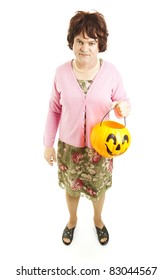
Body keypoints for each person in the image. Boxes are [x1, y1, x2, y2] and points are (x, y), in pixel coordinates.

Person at [43, 10, 131, 246]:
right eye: (79, 41)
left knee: (98, 190)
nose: (85, 48)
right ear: (72, 41)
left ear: (99, 44)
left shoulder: (111, 72)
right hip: (69, 149)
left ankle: (98, 220)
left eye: (91, 42)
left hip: (100, 148)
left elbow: (123, 101)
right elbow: (54, 110)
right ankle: (72, 221)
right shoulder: (61, 73)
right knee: (71, 190)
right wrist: (47, 144)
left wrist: (123, 108)